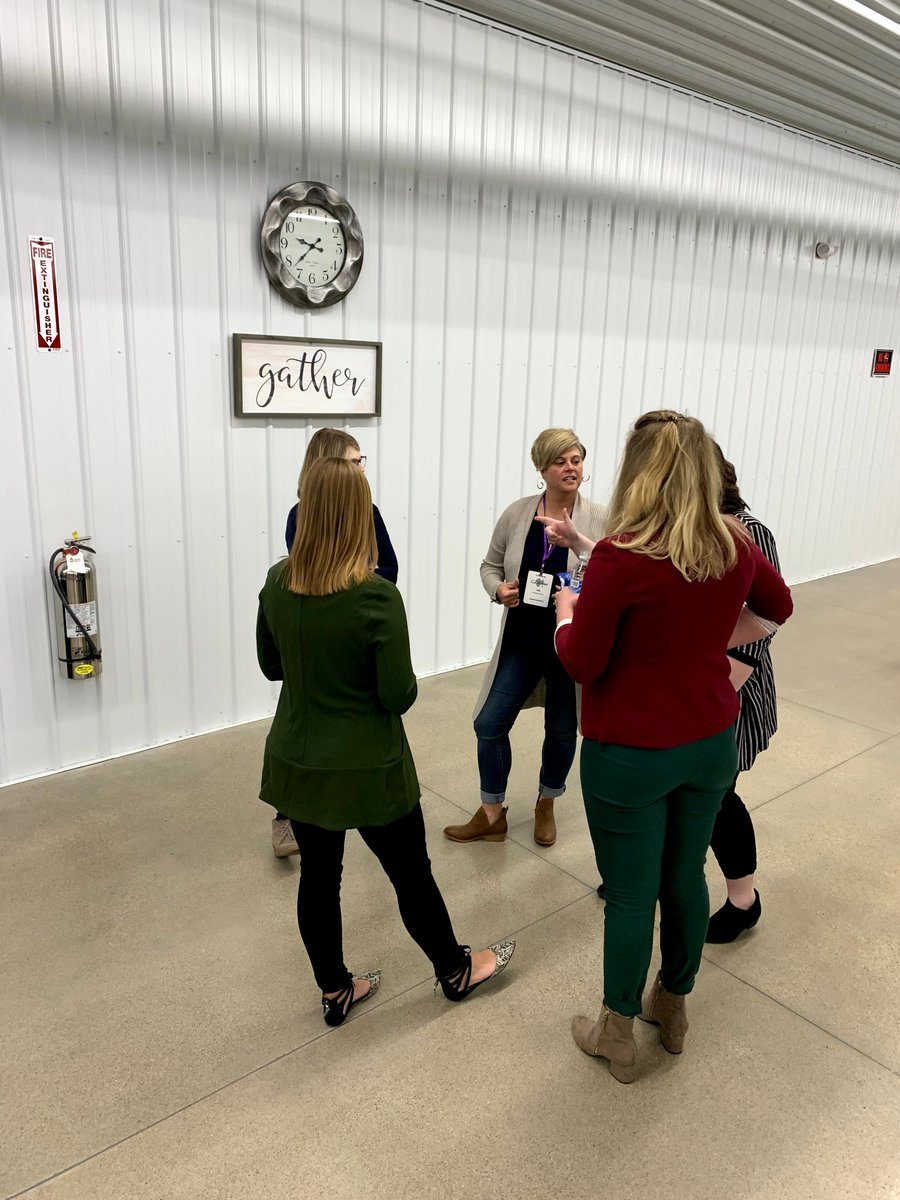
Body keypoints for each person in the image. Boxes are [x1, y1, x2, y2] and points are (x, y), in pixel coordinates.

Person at [549, 411, 792, 1083]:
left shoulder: (622, 556)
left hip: (629, 751)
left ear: (639, 472)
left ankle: (617, 1032)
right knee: (684, 877)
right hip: (709, 740)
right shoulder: (732, 543)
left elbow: (582, 662)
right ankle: (673, 1006)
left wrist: (566, 617)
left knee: (631, 894)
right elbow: (778, 608)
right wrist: (704, 643)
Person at [256, 457, 515, 1026]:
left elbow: (271, 666)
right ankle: (454, 970)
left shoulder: (276, 581)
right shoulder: (375, 596)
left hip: (298, 760)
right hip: (369, 766)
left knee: (319, 881)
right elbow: (399, 695)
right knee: (410, 874)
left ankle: (335, 990)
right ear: (358, 515)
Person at [442, 428, 606, 849]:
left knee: (562, 729)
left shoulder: (600, 519)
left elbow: (612, 577)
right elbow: (489, 566)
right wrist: (497, 589)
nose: (570, 468)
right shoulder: (518, 515)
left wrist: (578, 593)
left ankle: (546, 802)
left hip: (569, 644)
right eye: (560, 461)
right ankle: (491, 813)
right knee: (488, 723)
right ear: (542, 469)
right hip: (521, 639)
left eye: (576, 460)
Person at [272, 427, 399, 859]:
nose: (362, 469)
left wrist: (359, 590)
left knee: (321, 876)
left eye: (362, 461)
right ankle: (286, 815)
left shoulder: (370, 514)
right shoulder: (299, 518)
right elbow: (309, 580)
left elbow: (389, 568)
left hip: (355, 637)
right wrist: (359, 588)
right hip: (323, 650)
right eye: (354, 461)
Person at [706, 445, 782, 943]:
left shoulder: (749, 533)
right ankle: (663, 875)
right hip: (695, 690)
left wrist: (717, 693)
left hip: (732, 690)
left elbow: (762, 622)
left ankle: (743, 901)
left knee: (717, 794)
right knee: (689, 793)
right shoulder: (686, 530)